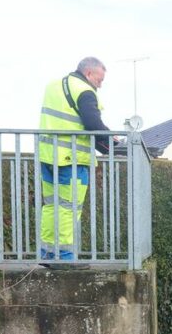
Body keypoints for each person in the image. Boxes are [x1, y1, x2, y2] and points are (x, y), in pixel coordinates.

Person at [37, 56, 115, 261]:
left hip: (47, 155)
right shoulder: (85, 90)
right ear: (89, 74)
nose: (101, 84)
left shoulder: (53, 86)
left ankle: (46, 252)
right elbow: (92, 123)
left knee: (51, 205)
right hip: (71, 158)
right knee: (69, 208)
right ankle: (65, 255)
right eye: (100, 80)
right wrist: (113, 143)